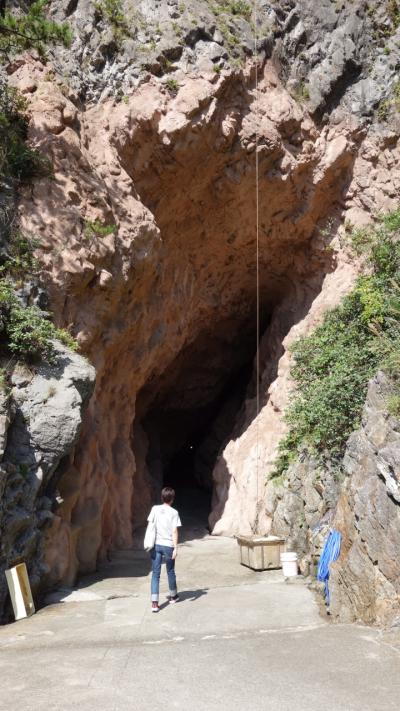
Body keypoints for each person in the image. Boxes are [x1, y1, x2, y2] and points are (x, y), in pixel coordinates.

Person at [148, 486, 182, 613]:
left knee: (155, 574)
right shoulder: (174, 512)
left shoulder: (155, 509)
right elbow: (174, 531)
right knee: (170, 571)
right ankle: (173, 596)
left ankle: (155, 604)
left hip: (156, 544)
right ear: (172, 499)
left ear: (162, 497)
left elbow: (150, 525)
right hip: (168, 545)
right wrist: (175, 548)